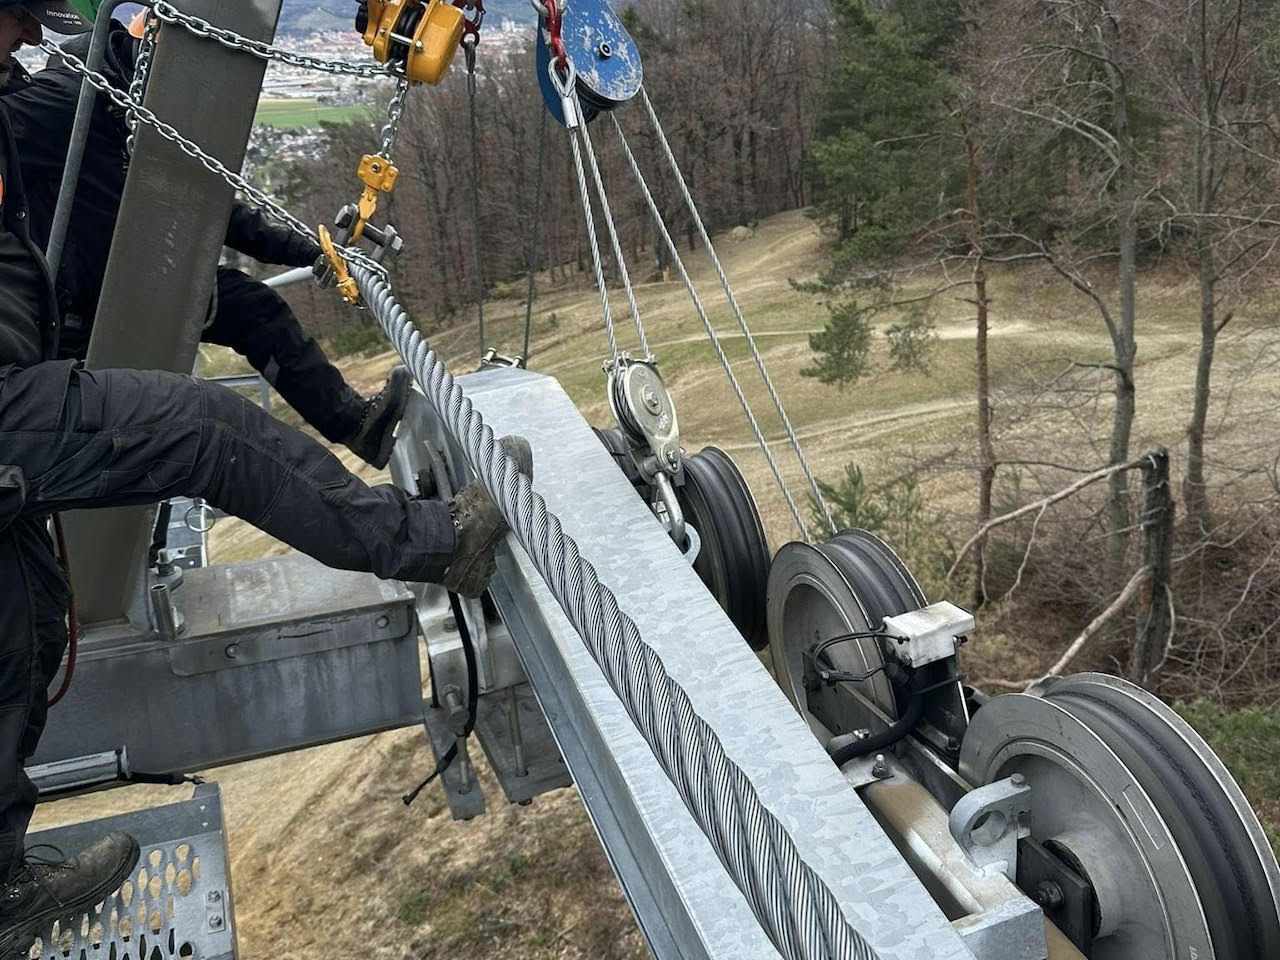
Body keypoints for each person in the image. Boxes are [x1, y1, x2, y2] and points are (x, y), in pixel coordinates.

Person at [0, 2, 529, 953]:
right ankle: (435, 543)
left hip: (27, 356)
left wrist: (315, 249)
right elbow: (174, 199)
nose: (16, 43)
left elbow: (202, 201)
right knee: (210, 430)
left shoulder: (73, 89)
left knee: (29, 630)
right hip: (28, 374)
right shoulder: (66, 95)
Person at [7, 16, 409, 469]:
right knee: (236, 344)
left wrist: (309, 250)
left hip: (119, 282)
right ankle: (355, 426)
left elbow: (211, 209)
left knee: (252, 312)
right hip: (92, 301)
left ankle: (356, 427)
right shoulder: (67, 105)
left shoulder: (130, 112)